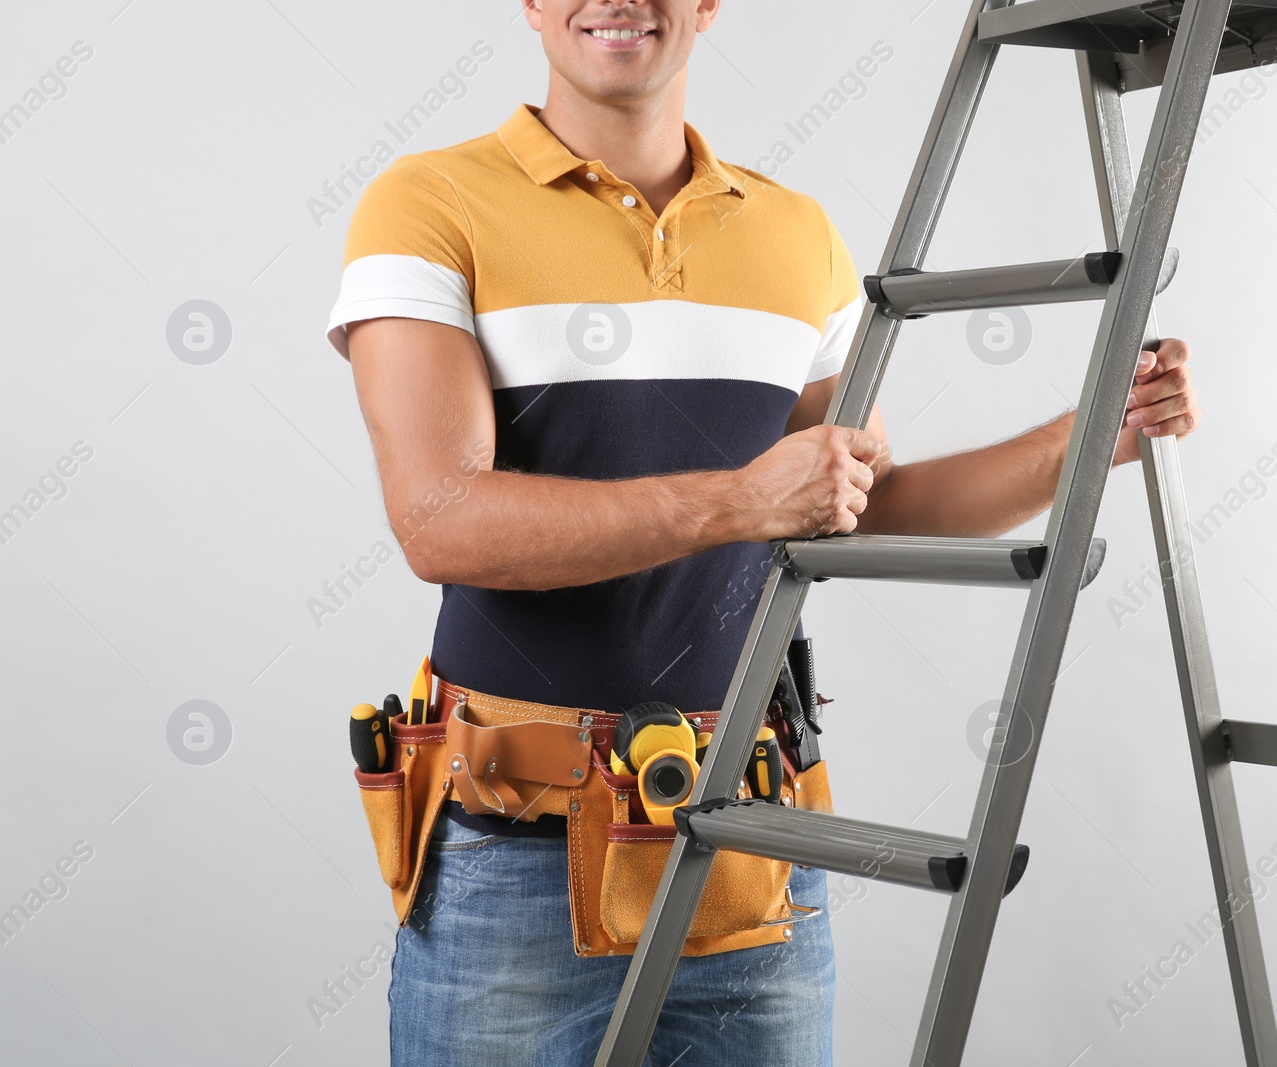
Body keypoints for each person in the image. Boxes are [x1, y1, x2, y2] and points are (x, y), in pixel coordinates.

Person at [325, 1, 1202, 1064]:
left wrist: (1081, 440)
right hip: (513, 851)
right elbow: (440, 519)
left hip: (753, 831)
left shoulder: (795, 233)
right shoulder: (426, 202)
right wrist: (740, 500)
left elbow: (855, 504)